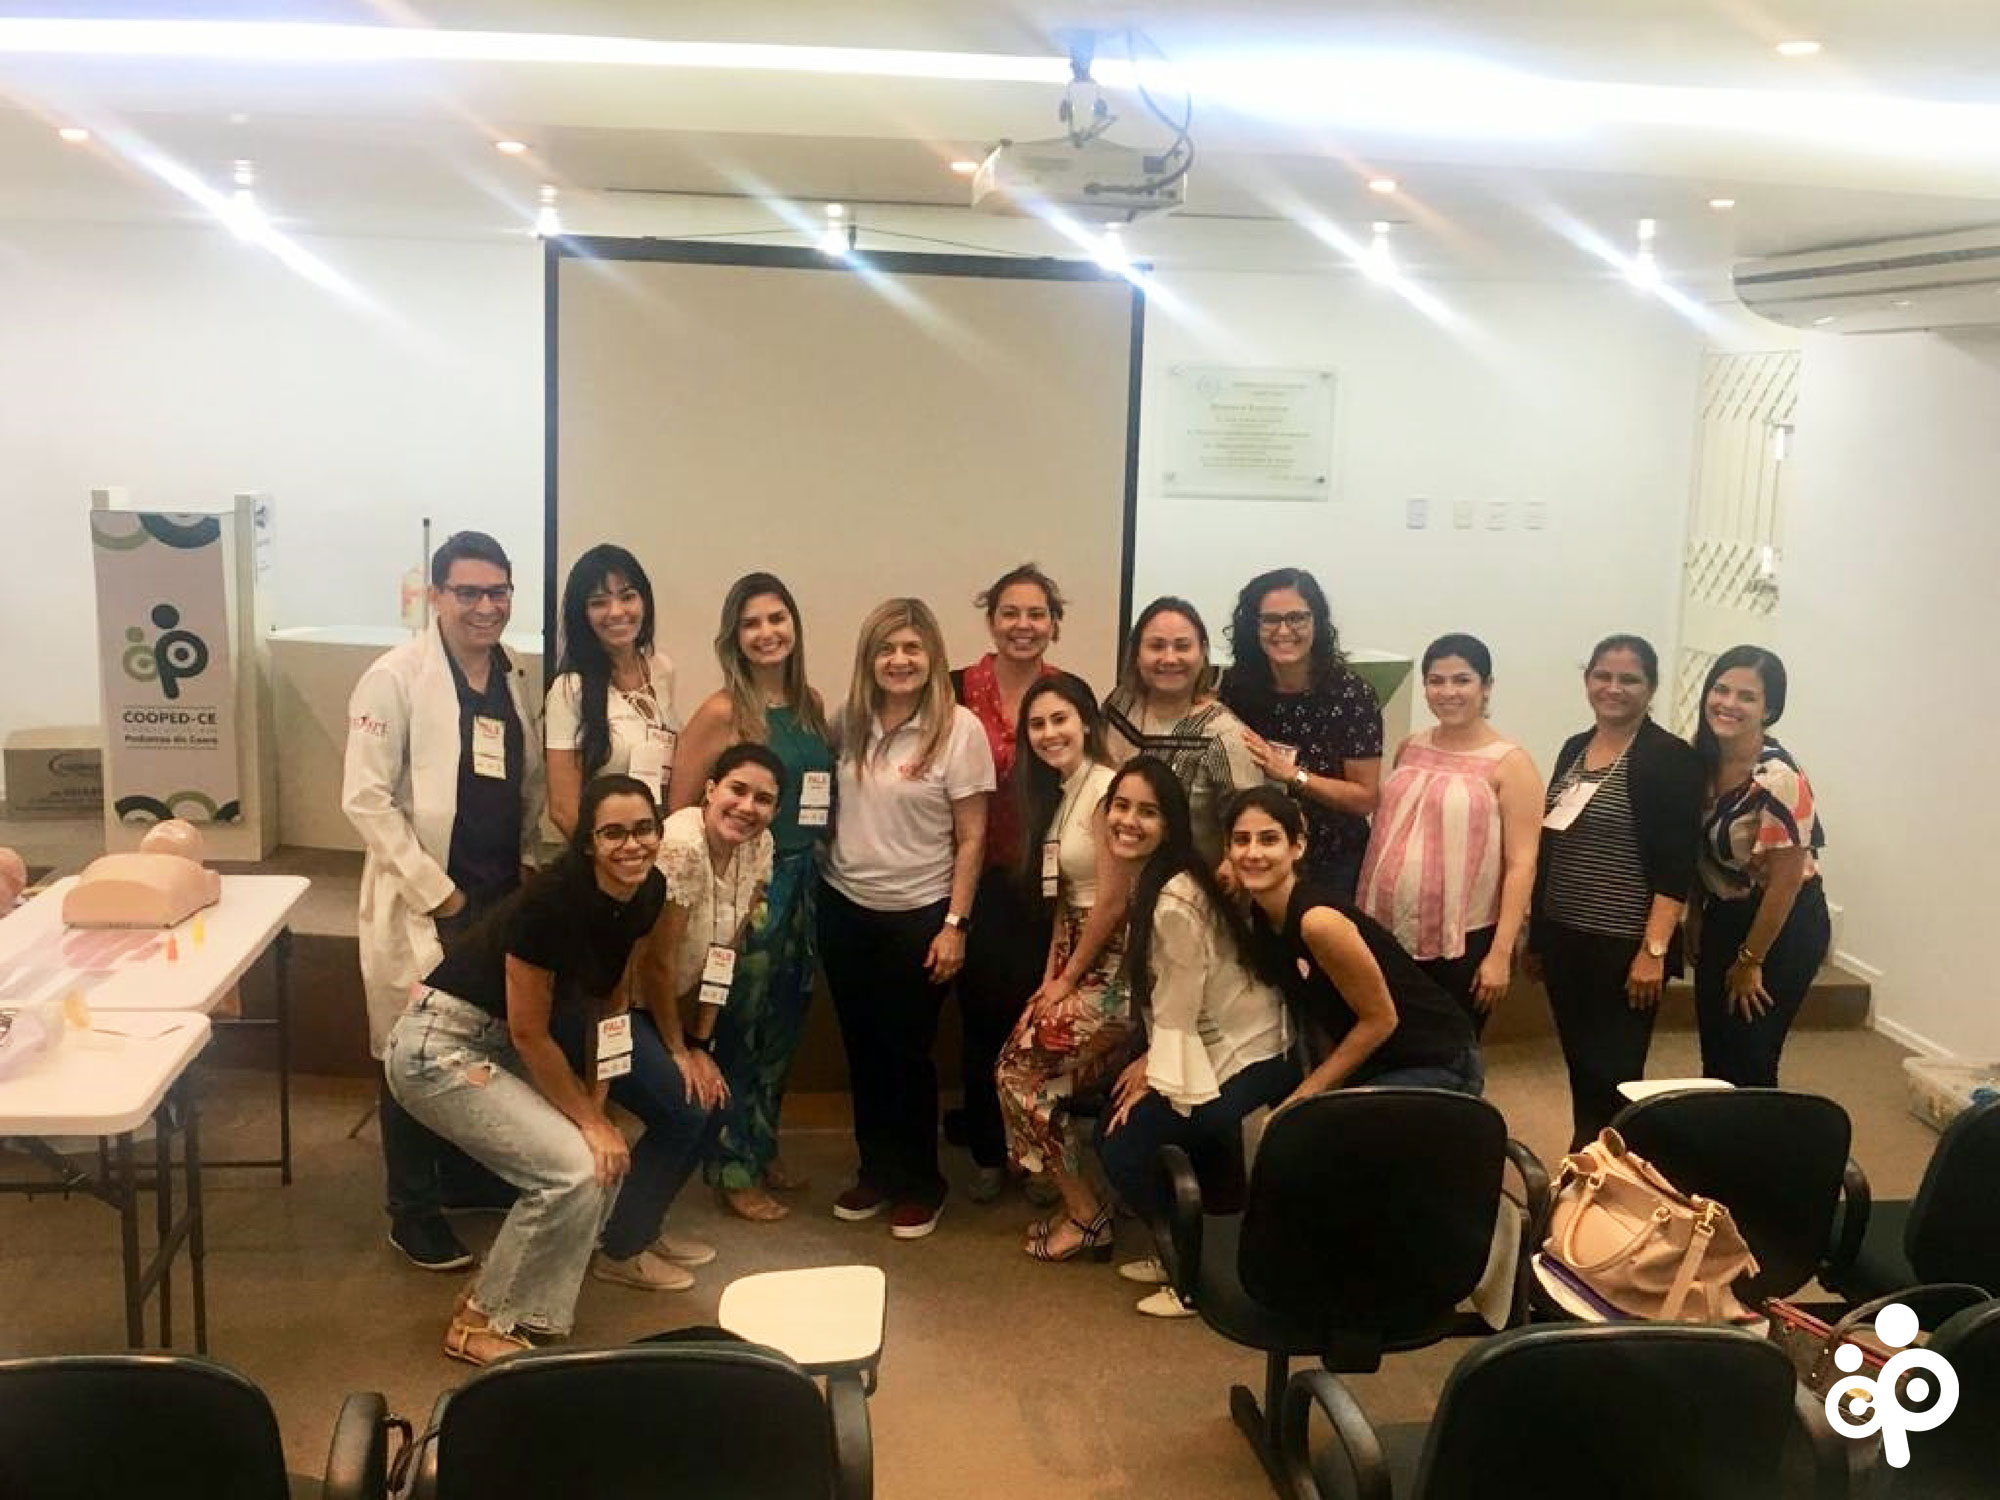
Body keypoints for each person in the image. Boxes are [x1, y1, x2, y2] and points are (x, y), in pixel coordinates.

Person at [384, 775, 716, 1365]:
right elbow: (530, 1033)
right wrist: (590, 1121)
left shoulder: (647, 891)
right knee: (573, 1169)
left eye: (644, 829)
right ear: (589, 842)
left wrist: (600, 1103)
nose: (632, 844)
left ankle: (502, 1298)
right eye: (613, 833)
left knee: (599, 1160)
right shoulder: (550, 904)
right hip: (441, 1045)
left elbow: (612, 1002)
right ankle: (480, 1322)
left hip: (498, 1043)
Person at [342, 530, 543, 1272]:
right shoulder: (393, 678)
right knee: (413, 1049)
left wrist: (525, 863)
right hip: (429, 898)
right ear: (436, 596)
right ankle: (413, 1209)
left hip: (498, 893)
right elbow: (365, 798)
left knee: (477, 1041)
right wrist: (440, 892)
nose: (486, 606)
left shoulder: (512, 673)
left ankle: (462, 1176)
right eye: (468, 592)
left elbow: (522, 780)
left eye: (498, 591)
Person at [820, 598, 994, 1240]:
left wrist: (956, 924)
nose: (899, 660)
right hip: (844, 907)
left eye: (912, 649)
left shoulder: (960, 729)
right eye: (886, 649)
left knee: (907, 1054)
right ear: (869, 658)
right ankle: (875, 1171)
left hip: (919, 914)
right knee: (861, 1049)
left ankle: (922, 1182)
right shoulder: (848, 720)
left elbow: (972, 838)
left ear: (933, 656)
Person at [1093, 759, 1293, 1318]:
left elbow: (1181, 998)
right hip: (1208, 1039)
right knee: (1127, 1117)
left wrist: (1152, 1069)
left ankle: (1191, 1274)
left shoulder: (1173, 899)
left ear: (1170, 824)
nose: (1129, 821)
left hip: (1250, 1050)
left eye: (1147, 812)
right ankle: (1182, 1246)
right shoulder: (1160, 876)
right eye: (1121, 806)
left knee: (1121, 1144)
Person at [663, 574, 834, 1221]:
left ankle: (761, 1144)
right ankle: (731, 1166)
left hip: (804, 879)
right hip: (748, 885)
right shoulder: (720, 712)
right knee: (741, 1024)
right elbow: (683, 808)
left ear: (794, 626)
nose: (767, 633)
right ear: (734, 637)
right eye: (752, 623)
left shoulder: (811, 703)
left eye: (776, 619)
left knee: (787, 1021)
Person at [1528, 634, 1704, 1151]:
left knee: (1615, 1074)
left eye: (1629, 679)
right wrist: (1538, 938)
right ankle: (1587, 1163)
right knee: (1581, 1068)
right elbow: (1551, 844)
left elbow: (1676, 867)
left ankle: (1612, 1172)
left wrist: (1654, 952)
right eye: (1603, 676)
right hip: (1565, 938)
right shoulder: (1574, 748)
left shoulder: (1670, 758)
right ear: (1587, 680)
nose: (1614, 688)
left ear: (1651, 688)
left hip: (1625, 946)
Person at [949, 563, 1090, 1202]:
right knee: (981, 1020)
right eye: (1011, 612)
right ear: (991, 620)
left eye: (1037, 614)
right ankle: (988, 1150)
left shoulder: (1069, 692)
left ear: (1054, 624)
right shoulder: (955, 689)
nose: (1023, 625)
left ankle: (1036, 1158)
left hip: (1052, 886)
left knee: (1040, 1025)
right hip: (977, 877)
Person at [993, 675, 1128, 1262]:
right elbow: (1065, 900)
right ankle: (1084, 1202)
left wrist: (1070, 979)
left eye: (1060, 719)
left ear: (1087, 723)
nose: (1049, 733)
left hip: (1115, 967)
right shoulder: (1063, 791)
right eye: (1037, 724)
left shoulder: (1107, 791)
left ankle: (1087, 1214)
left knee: (1018, 1077)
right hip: (1077, 952)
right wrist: (1050, 981)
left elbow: (1113, 901)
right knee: (1025, 1075)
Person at [1231, 786, 1482, 1099]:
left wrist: (1307, 1094)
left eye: (1269, 840)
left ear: (1297, 847)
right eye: (1242, 840)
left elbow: (1381, 1020)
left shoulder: (1318, 922)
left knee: (1322, 1122)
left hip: (1436, 1058)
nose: (1253, 853)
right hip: (1375, 1060)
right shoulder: (1262, 915)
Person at [1355, 634, 1541, 1032]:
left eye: (1462, 680)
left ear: (1486, 686)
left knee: (1451, 1045)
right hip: (1388, 925)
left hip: (1463, 937)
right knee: (1391, 1037)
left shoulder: (1511, 764)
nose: (1448, 692)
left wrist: (1500, 953)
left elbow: (1522, 864)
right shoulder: (1410, 747)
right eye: (1436, 681)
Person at [1689, 647, 1829, 1087]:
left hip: (1782, 924)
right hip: (1724, 911)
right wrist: (1695, 916)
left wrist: (1751, 961)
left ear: (1769, 709)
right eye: (1721, 689)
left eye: (1746, 696)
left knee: (1751, 1054)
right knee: (1716, 1051)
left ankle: (1759, 1132)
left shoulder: (1779, 779)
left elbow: (1785, 885)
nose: (1728, 703)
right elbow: (1696, 848)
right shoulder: (1700, 757)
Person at [1218, 568, 1383, 900]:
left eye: (1296, 618)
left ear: (1316, 622)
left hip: (1332, 860)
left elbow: (1365, 798)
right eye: (1270, 620)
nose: (1283, 630)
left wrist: (1293, 775)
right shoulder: (1238, 687)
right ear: (1253, 626)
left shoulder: (1351, 695)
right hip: (1257, 855)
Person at [1102, 596, 1261, 868]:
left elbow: (1251, 826)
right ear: (1137, 653)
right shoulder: (1119, 705)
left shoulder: (1225, 736)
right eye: (1156, 646)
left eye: (1182, 646)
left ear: (1203, 652)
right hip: (1109, 872)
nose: (1169, 658)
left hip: (1187, 886)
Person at [545, 544, 680, 838]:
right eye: (599, 603)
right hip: (607, 855)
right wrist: (611, 855)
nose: (617, 612)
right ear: (582, 614)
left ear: (644, 601)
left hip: (656, 843)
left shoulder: (662, 669)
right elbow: (563, 809)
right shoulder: (569, 689)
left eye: (627, 597)